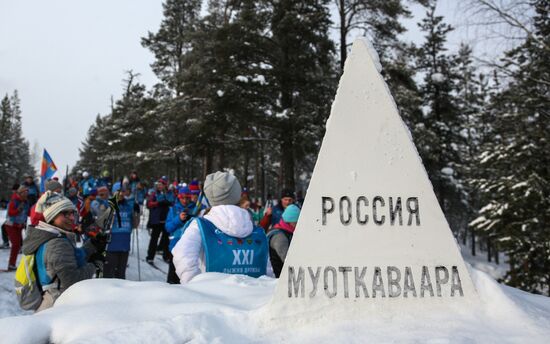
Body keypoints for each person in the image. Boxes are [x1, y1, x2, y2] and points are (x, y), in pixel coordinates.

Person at [172, 171, 271, 284]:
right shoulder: (252, 226)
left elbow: (183, 254)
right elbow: (266, 266)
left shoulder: (201, 226)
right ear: (237, 193)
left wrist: (195, 285)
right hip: (253, 297)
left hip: (213, 297)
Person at [21, 192, 104, 311]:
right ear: (52, 216)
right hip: (58, 306)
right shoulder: (57, 243)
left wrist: (92, 244)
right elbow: (72, 280)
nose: (71, 218)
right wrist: (95, 265)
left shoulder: (48, 236)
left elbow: (70, 258)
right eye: (65, 213)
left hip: (53, 301)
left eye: (72, 213)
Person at [103, 185, 139, 279]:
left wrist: (137, 212)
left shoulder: (129, 206)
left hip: (124, 244)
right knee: (109, 274)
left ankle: (121, 293)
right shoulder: (108, 204)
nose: (121, 194)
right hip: (112, 245)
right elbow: (102, 222)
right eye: (118, 191)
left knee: (121, 274)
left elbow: (135, 225)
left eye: (123, 191)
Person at [165, 186, 194, 284]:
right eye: (183, 198)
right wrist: (179, 219)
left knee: (186, 275)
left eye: (187, 198)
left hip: (190, 247)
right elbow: (168, 227)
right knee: (173, 277)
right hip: (175, 246)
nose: (185, 200)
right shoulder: (173, 209)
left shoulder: (195, 209)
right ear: (179, 197)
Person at [268, 204, 300, 277]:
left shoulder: (287, 231)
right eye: (296, 222)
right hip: (280, 278)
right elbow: (288, 261)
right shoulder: (279, 237)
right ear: (290, 221)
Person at [146, 179, 171, 264]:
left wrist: (168, 202)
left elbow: (173, 201)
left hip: (166, 219)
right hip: (156, 220)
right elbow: (148, 204)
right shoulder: (154, 193)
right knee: (154, 239)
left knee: (166, 239)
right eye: (158, 184)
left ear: (165, 185)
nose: (159, 186)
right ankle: (150, 257)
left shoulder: (168, 193)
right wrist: (157, 203)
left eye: (161, 185)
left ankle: (166, 256)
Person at [5, 185, 30, 270]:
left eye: (27, 192)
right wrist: (18, 210)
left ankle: (12, 264)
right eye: (24, 192)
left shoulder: (26, 202)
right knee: (16, 244)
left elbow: (28, 212)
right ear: (20, 193)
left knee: (18, 245)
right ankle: (11, 264)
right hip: (11, 225)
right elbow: (10, 213)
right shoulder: (14, 201)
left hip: (19, 225)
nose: (26, 194)